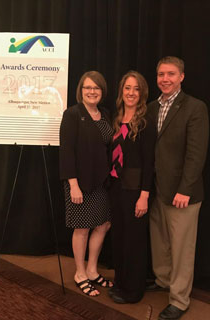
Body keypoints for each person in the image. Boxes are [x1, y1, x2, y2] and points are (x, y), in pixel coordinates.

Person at [147, 56, 209, 320]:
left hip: (183, 193)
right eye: (161, 74)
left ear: (181, 76)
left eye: (171, 74)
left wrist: (185, 188)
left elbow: (196, 154)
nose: (165, 79)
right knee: (160, 243)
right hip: (157, 190)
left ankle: (180, 300)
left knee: (183, 248)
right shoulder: (150, 107)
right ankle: (163, 281)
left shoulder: (195, 107)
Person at [59, 71, 114, 297]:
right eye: (87, 88)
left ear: (102, 92)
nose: (92, 92)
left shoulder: (106, 114)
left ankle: (92, 270)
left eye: (96, 88)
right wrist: (73, 184)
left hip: (102, 182)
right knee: (81, 229)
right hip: (79, 183)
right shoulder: (72, 114)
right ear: (80, 90)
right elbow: (66, 152)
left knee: (103, 225)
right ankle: (80, 273)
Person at [108, 71, 156, 303]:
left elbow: (149, 163)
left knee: (134, 242)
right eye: (127, 88)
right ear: (121, 91)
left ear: (142, 93)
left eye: (136, 89)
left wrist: (144, 196)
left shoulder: (146, 122)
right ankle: (121, 282)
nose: (131, 93)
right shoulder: (116, 119)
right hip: (116, 187)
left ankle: (133, 291)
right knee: (119, 238)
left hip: (136, 191)